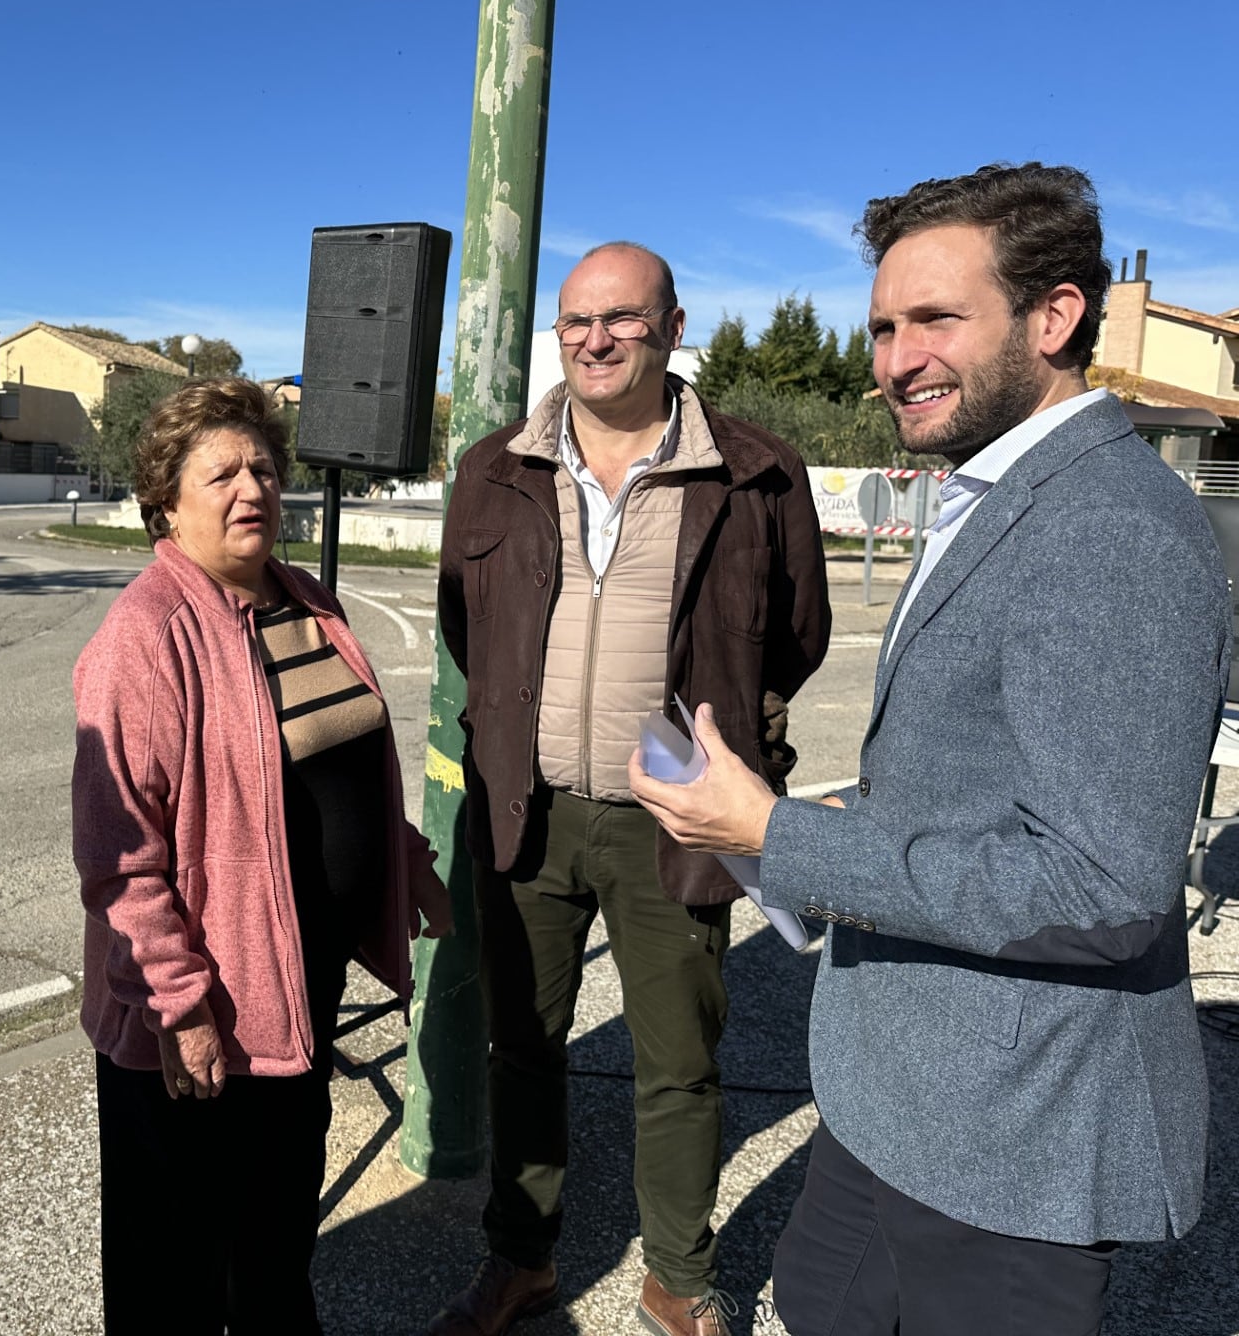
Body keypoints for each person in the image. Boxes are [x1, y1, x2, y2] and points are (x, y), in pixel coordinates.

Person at [630, 163, 1229, 1336]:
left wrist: (776, 835)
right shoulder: (998, 491)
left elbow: (1102, 885)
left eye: (937, 320)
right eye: (884, 327)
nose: (894, 359)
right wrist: (854, 820)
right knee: (816, 1302)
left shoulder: (1109, 527)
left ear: (1055, 317)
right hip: (901, 1098)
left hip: (1012, 1140)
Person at [428, 242, 831, 1336]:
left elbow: (796, 638)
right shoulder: (493, 467)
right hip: (530, 813)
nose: (595, 340)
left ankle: (679, 1277)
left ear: (672, 325)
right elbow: (470, 630)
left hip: (677, 819)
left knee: (679, 1065)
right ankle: (522, 1260)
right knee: (521, 1049)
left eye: (621, 319)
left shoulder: (757, 471)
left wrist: (729, 749)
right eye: (575, 322)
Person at [73, 376, 452, 1334]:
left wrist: (401, 860)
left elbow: (342, 770)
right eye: (222, 474)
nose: (253, 489)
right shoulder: (145, 635)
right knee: (177, 1264)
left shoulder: (308, 602)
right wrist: (178, 1003)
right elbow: (121, 856)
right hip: (200, 1007)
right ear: (166, 500)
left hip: (298, 979)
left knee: (275, 1223)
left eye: (264, 468)